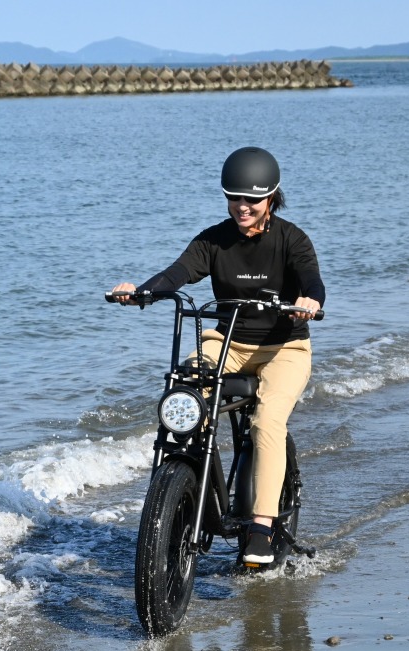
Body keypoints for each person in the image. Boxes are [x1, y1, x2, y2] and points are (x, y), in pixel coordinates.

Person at [111, 146, 325, 565]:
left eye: (252, 199)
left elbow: (312, 281)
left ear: (271, 199)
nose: (242, 207)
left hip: (285, 347)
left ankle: (262, 525)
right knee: (185, 392)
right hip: (227, 341)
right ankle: (185, 488)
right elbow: (179, 272)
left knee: (267, 422)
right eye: (234, 197)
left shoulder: (292, 239)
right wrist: (143, 292)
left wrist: (309, 301)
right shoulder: (214, 239)